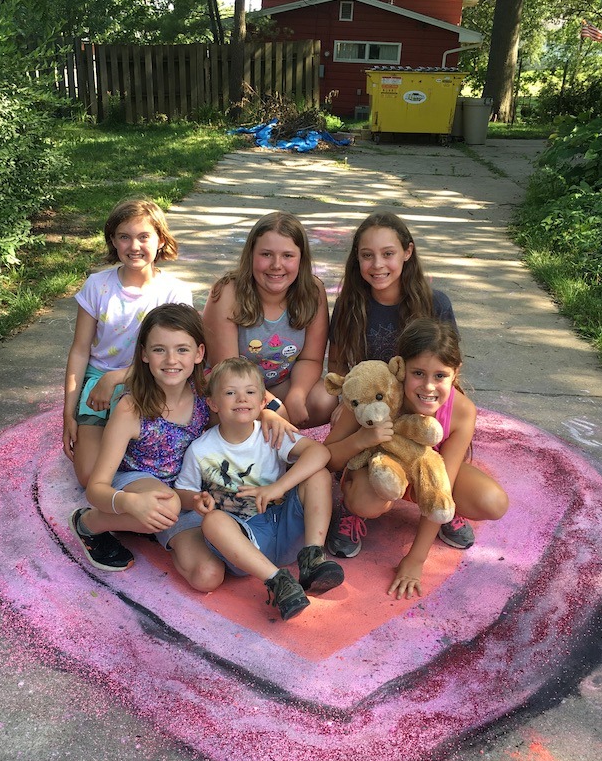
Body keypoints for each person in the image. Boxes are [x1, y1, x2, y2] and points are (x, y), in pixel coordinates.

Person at [70, 305, 294, 587]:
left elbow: (256, 398)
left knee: (208, 577)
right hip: (139, 482)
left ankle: (151, 527)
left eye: (182, 350)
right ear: (143, 354)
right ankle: (89, 523)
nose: (171, 359)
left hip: (188, 492)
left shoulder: (205, 388)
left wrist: (267, 413)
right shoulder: (131, 408)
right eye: (159, 350)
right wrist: (129, 502)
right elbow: (97, 487)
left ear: (199, 353)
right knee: (168, 503)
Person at [316, 209, 470, 553]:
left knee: (486, 500)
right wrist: (346, 407)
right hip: (375, 408)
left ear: (408, 252)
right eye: (367, 255)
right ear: (357, 259)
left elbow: (447, 364)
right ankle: (353, 501)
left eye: (388, 253)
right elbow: (339, 362)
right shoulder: (350, 303)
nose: (377, 265)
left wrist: (445, 415)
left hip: (419, 406)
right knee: (367, 486)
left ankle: (438, 498)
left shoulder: (434, 302)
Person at [324, 317, 508, 599]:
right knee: (366, 500)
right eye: (418, 373)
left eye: (440, 376)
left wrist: (416, 559)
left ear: (455, 373)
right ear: (400, 368)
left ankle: (442, 513)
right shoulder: (374, 389)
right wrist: (362, 440)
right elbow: (328, 458)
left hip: (429, 474)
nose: (429, 387)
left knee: (493, 502)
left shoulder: (462, 412)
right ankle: (351, 510)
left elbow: (444, 480)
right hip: (379, 470)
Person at [173, 357, 345, 622]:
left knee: (318, 475)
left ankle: (312, 558)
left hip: (285, 526)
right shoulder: (200, 449)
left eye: (250, 392)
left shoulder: (271, 432)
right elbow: (183, 491)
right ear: (213, 404)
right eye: (230, 393)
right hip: (246, 541)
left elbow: (319, 452)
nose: (241, 398)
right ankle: (278, 582)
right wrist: (197, 501)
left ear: (263, 402)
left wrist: (278, 487)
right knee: (213, 521)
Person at [63, 197, 192, 487]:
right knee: (89, 478)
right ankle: (112, 444)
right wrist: (68, 414)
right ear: (113, 241)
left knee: (165, 464)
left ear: (161, 240)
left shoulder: (175, 292)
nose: (134, 246)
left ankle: (124, 449)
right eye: (124, 237)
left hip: (155, 380)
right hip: (98, 383)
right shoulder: (97, 285)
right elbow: (80, 351)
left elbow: (177, 358)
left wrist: (117, 378)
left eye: (144, 236)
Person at [201, 211, 330, 428]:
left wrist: (297, 394)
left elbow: (311, 359)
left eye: (288, 256)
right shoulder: (227, 293)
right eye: (266, 254)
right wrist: (275, 408)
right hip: (230, 386)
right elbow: (228, 370)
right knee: (250, 417)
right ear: (251, 254)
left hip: (278, 383)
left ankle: (274, 431)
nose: (276, 265)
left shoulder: (313, 291)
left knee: (324, 399)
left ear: (301, 258)